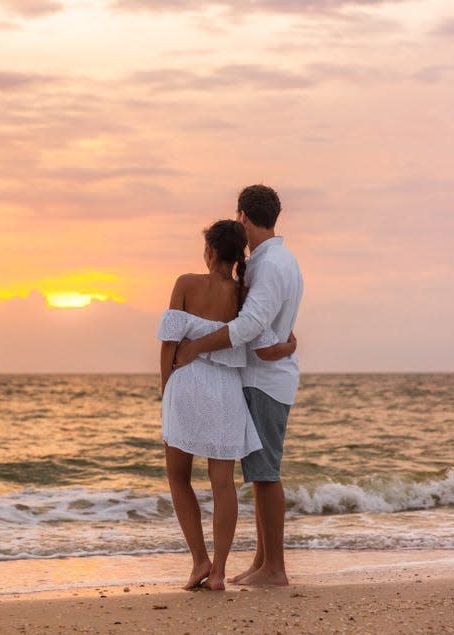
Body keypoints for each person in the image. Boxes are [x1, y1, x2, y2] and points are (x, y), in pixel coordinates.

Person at [175, 184, 304, 587]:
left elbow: (249, 325)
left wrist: (197, 346)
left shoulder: (270, 264)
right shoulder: (279, 260)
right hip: (265, 376)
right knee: (259, 472)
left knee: (265, 474)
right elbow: (270, 321)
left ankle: (275, 568)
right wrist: (282, 345)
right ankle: (262, 560)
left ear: (244, 216)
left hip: (264, 383)